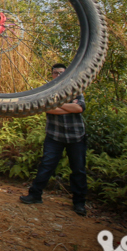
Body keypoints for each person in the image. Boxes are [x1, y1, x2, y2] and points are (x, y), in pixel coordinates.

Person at [19, 63, 88, 216]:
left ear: (66, 73)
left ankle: (79, 203)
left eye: (61, 72)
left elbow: (79, 108)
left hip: (76, 136)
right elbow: (45, 108)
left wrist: (56, 104)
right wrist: (68, 104)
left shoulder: (75, 88)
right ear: (51, 75)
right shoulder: (47, 90)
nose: (58, 75)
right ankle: (35, 195)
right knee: (46, 165)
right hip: (54, 136)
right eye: (55, 73)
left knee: (78, 170)